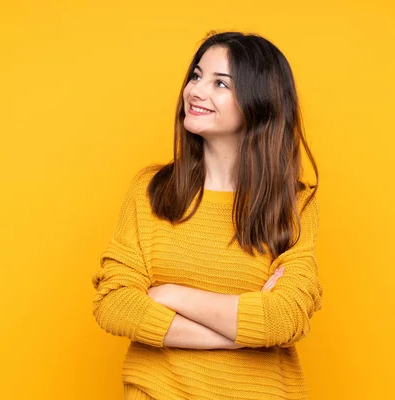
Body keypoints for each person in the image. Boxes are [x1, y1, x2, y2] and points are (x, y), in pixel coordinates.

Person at [92, 30, 323, 400]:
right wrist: (235, 335)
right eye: (197, 76)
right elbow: (115, 303)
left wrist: (170, 294)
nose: (195, 90)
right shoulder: (151, 191)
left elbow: (287, 316)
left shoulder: (293, 205)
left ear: (259, 102)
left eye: (220, 83)